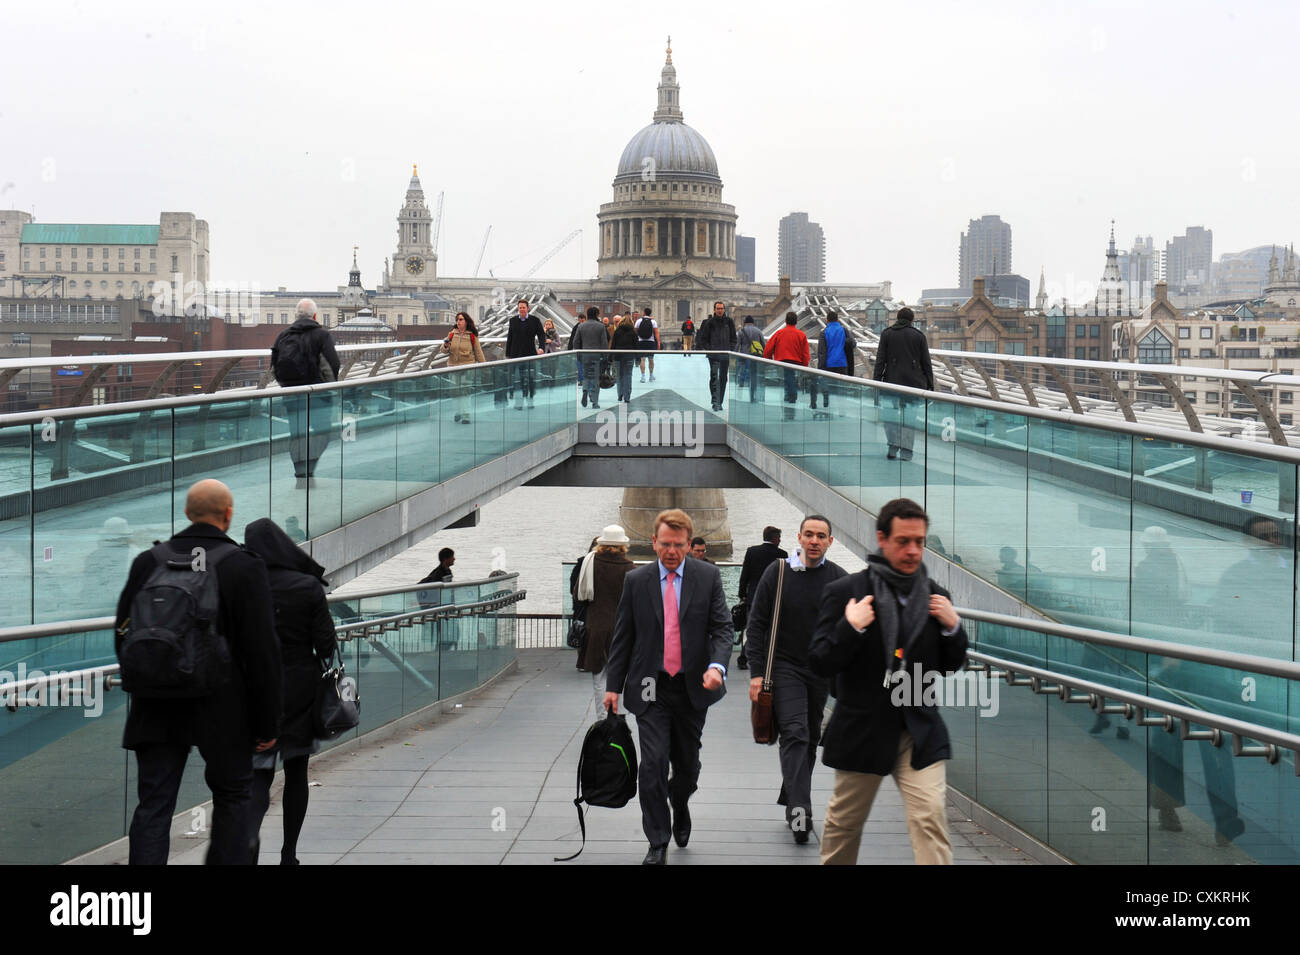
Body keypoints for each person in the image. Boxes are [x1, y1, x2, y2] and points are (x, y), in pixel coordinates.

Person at [114, 479, 281, 864]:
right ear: (228, 515)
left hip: (155, 705)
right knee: (232, 798)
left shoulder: (148, 562)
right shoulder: (243, 566)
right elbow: (262, 651)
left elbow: (123, 631)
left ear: (188, 514)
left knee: (154, 805)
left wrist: (148, 680)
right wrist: (268, 723)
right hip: (224, 707)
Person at [809, 498, 967, 865]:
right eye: (903, 541)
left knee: (930, 819)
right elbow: (819, 661)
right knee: (845, 823)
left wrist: (953, 627)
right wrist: (850, 627)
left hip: (919, 729)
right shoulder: (846, 593)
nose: (913, 550)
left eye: (920, 541)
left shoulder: (936, 598)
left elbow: (950, 665)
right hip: (863, 727)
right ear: (882, 538)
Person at [603, 508, 732, 865]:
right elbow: (622, 638)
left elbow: (722, 628)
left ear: (689, 545)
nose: (671, 551)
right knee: (653, 764)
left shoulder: (707, 577)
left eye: (678, 545)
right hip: (649, 686)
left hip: (693, 687)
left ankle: (681, 798)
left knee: (687, 766)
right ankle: (657, 841)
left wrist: (717, 666)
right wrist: (613, 686)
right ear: (654, 543)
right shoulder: (636, 581)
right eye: (665, 544)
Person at [745, 515, 846, 843]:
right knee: (795, 732)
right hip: (784, 667)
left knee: (810, 737)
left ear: (830, 542)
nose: (815, 540)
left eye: (822, 536)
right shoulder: (778, 572)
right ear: (799, 538)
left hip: (819, 672)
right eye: (809, 534)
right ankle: (800, 811)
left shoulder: (839, 580)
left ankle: (792, 792)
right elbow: (757, 623)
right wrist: (757, 674)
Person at [244, 518, 338, 865]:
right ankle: (289, 856)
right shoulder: (307, 586)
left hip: (254, 690)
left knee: (258, 772)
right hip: (299, 689)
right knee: (297, 771)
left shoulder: (245, 585)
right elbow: (326, 646)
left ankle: (250, 836)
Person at [271, 298, 341, 486]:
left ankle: (300, 474)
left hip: (292, 395)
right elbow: (333, 364)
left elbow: (274, 366)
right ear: (315, 316)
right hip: (318, 395)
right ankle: (310, 468)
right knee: (323, 433)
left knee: (297, 435)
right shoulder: (321, 335)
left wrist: (287, 387)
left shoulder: (283, 336)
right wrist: (330, 390)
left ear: (296, 315)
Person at [574, 525, 634, 712]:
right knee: (620, 679)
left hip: (596, 627)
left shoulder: (591, 563)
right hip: (622, 630)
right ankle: (618, 719)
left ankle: (603, 721)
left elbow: (578, 594)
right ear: (622, 545)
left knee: (599, 679)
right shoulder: (630, 568)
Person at [873, 306, 934, 460]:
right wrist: (930, 384)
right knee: (909, 419)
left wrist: (876, 383)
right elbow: (926, 362)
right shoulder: (919, 336)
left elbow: (880, 361)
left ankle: (893, 447)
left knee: (891, 417)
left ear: (897, 318)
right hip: (913, 385)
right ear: (911, 320)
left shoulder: (887, 334)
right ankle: (907, 452)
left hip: (891, 383)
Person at [737, 525, 787, 670]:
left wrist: (742, 594)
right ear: (775, 538)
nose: (780, 540)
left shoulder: (752, 551)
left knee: (751, 628)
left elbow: (745, 575)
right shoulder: (782, 555)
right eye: (779, 538)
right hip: (774, 598)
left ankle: (743, 657)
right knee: (771, 628)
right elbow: (785, 578)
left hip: (753, 596)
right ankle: (768, 657)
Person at [763, 311, 810, 419]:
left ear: (785, 321)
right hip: (796, 362)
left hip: (781, 361)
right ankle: (791, 395)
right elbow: (805, 353)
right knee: (791, 378)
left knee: (785, 379)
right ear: (796, 322)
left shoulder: (779, 333)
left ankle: (789, 395)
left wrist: (768, 360)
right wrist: (804, 365)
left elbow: (768, 348)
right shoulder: (801, 335)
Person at [441, 312, 486, 423]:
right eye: (457, 320)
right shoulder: (452, 334)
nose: (458, 322)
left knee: (465, 391)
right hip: (453, 367)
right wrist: (446, 346)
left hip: (467, 367)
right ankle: (458, 412)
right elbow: (443, 350)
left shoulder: (471, 335)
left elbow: (478, 352)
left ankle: (466, 415)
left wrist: (485, 367)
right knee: (455, 391)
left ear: (466, 321)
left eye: (461, 319)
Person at [505, 298, 547, 409]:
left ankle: (530, 400)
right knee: (517, 380)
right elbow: (510, 337)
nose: (522, 309)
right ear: (518, 309)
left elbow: (542, 335)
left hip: (530, 354)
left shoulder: (535, 320)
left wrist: (541, 348)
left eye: (524, 307)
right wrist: (508, 354)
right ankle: (519, 403)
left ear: (528, 308)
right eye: (520, 308)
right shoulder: (513, 321)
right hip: (515, 355)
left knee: (530, 378)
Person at [696, 300, 738, 412]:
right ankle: (715, 401)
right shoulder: (709, 323)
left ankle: (720, 402)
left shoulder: (729, 322)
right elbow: (703, 339)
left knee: (723, 378)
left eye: (721, 308)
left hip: (725, 355)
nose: (720, 310)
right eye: (718, 308)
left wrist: (731, 349)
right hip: (714, 356)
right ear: (714, 310)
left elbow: (734, 338)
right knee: (714, 378)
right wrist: (710, 350)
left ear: (724, 310)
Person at [813, 309, 855, 413]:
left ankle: (827, 408)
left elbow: (822, 353)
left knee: (827, 388)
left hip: (828, 365)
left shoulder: (824, 332)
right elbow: (853, 344)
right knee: (841, 389)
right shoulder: (844, 330)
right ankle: (842, 411)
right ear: (838, 319)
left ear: (827, 320)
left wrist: (820, 369)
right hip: (842, 364)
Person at [570, 305, 609, 409]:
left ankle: (585, 390)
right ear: (596, 314)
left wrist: (578, 353)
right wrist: (605, 356)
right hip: (596, 355)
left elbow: (575, 341)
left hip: (585, 354)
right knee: (596, 378)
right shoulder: (601, 326)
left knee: (586, 375)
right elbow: (604, 343)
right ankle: (595, 402)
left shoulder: (581, 326)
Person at [736, 315, 765, 402]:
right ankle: (752, 389)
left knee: (743, 369)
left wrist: (734, 354)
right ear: (753, 323)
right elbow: (763, 344)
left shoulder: (741, 332)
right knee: (753, 373)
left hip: (744, 355)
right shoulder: (758, 331)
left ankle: (741, 383)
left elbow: (737, 345)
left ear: (745, 323)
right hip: (755, 356)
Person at [611, 312, 639, 403]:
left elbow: (613, 345)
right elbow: (636, 345)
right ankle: (627, 397)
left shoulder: (617, 331)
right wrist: (637, 357)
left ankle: (620, 395)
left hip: (618, 356)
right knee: (628, 375)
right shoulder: (633, 332)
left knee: (619, 375)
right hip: (629, 356)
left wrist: (611, 356)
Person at [635, 307, 660, 381]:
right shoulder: (653, 322)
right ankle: (651, 376)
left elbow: (635, 331)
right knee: (651, 359)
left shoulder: (639, 321)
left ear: (644, 313)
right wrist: (658, 342)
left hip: (641, 341)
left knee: (642, 359)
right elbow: (656, 333)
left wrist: (638, 338)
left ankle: (643, 376)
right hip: (651, 342)